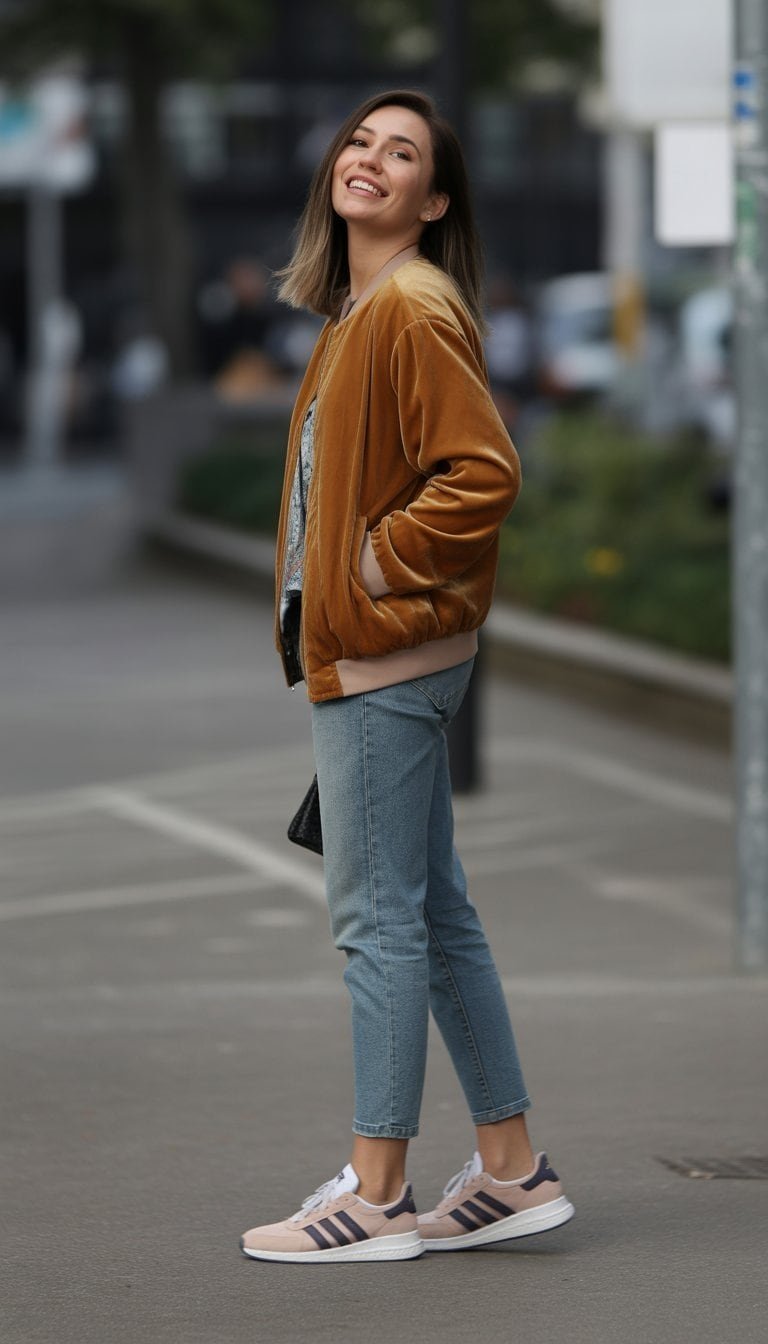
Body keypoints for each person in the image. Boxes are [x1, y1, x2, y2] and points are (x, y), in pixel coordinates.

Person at [240, 90, 574, 1264]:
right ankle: (512, 1169)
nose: (370, 159)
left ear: (433, 201)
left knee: (376, 923)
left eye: (403, 154)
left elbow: (481, 471)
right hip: (386, 652)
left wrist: (373, 567)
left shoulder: (412, 306)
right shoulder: (362, 308)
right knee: (434, 916)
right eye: (360, 141)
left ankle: (375, 1194)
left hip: (385, 656)